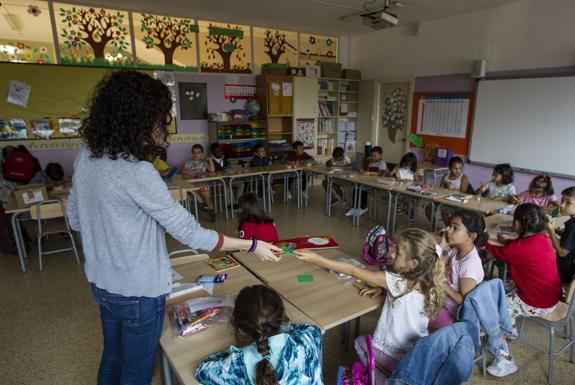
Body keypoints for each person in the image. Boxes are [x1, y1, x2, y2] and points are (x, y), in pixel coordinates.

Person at [66, 70, 282, 385]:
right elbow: (193, 234)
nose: (162, 127)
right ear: (140, 120)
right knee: (136, 373)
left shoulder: (86, 156)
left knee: (112, 355)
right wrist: (251, 245)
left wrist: (112, 228)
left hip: (101, 283)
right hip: (139, 291)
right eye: (159, 119)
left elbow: (74, 218)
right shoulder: (138, 172)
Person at [296, 228, 446, 374]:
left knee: (359, 342)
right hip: (416, 356)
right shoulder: (430, 281)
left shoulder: (396, 283)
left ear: (413, 263)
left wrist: (316, 259)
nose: (392, 255)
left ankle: (377, 375)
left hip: (391, 357)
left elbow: (353, 270)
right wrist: (384, 289)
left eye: (398, 252)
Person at [484, 203, 562, 377]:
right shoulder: (543, 240)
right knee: (501, 289)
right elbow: (521, 248)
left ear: (517, 224)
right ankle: (510, 328)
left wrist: (483, 243)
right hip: (550, 295)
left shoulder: (518, 249)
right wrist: (510, 241)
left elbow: (496, 251)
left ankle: (505, 359)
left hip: (538, 302)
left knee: (493, 308)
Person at [195, 285, 323, 385]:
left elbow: (202, 371)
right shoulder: (306, 340)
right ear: (283, 318)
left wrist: (235, 353)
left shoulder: (235, 365)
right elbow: (313, 329)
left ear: (241, 330)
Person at [429, 210, 486, 330]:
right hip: (443, 302)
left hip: (454, 314)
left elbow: (465, 301)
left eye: (455, 228)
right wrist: (443, 245)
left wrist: (443, 285)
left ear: (471, 236)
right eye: (450, 226)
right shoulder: (456, 250)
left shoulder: (469, 265)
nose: (448, 231)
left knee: (416, 313)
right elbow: (435, 265)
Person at [545, 185, 575, 283]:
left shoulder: (574, 227)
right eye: (562, 200)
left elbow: (561, 253)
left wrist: (551, 231)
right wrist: (556, 230)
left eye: (568, 203)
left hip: (566, 271)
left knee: (533, 257)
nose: (562, 205)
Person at [347, 146, 387, 217]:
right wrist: (364, 171)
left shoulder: (382, 163)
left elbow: (381, 173)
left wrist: (370, 173)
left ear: (380, 155)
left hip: (376, 185)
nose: (373, 157)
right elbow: (368, 172)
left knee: (362, 190)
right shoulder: (371, 163)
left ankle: (363, 208)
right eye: (372, 155)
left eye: (375, 156)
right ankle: (354, 208)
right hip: (368, 182)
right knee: (356, 189)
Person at [182, 144, 215, 221]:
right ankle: (204, 206)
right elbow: (183, 171)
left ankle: (211, 213)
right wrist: (194, 171)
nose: (196, 155)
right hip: (192, 185)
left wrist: (210, 160)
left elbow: (212, 170)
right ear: (192, 153)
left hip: (203, 184)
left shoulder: (204, 163)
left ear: (202, 154)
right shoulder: (189, 162)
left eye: (198, 152)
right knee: (194, 193)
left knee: (207, 198)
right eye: (194, 152)